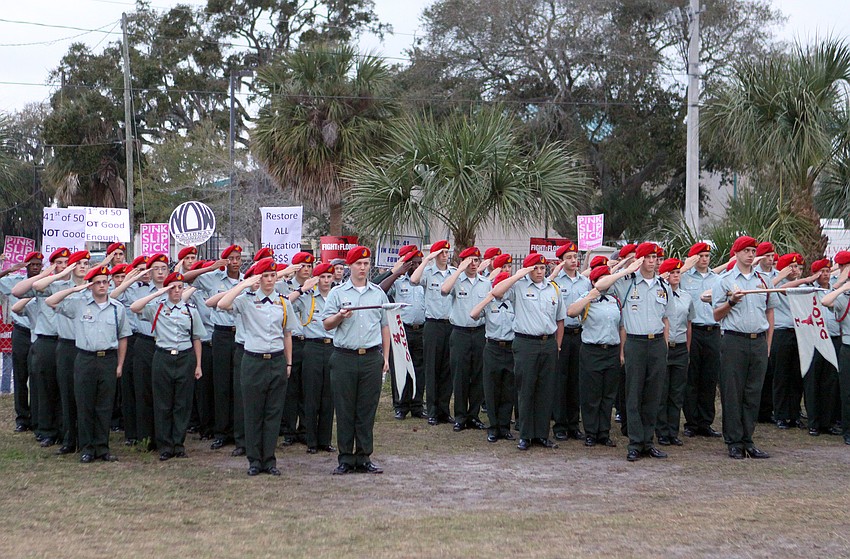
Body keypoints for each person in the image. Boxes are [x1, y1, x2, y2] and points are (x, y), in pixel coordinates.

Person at [46, 265, 132, 463]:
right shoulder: (80, 305)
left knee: (104, 406)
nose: (102, 286)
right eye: (98, 283)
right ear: (91, 286)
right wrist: (75, 289)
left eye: (105, 282)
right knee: (85, 405)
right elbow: (51, 301)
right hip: (85, 358)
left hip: (108, 359)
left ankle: (102, 448)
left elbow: (123, 338)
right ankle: (87, 448)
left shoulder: (117, 309)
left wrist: (119, 365)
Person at [593, 243, 670, 462]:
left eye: (655, 257)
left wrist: (664, 346)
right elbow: (600, 285)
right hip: (635, 342)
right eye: (648, 257)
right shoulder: (626, 283)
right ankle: (635, 442)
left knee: (653, 395)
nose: (652, 261)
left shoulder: (663, 285)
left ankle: (648, 441)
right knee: (634, 394)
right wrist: (626, 269)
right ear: (640, 260)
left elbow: (666, 318)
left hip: (656, 342)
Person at [218, 257, 294, 476]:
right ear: (258, 278)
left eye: (273, 275)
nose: (270, 280)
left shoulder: (283, 301)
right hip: (253, 361)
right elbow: (223, 304)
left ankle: (269, 460)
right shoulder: (246, 299)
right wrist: (243, 283)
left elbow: (287, 333)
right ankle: (254, 460)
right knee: (253, 412)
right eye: (265, 276)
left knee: (273, 412)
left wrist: (288, 362)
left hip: (277, 360)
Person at [321, 246, 390, 474]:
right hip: (344, 358)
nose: (363, 268)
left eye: (366, 264)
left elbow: (384, 327)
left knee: (366, 409)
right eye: (358, 264)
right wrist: (339, 316)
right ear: (350, 266)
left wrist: (386, 358)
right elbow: (326, 323)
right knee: (344, 408)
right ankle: (345, 458)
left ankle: (364, 456)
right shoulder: (338, 293)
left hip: (371, 357)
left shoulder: (378, 293)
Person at [490, 253, 565, 451]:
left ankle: (541, 434)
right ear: (528, 269)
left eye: (542, 268)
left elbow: (560, 319)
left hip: (547, 343)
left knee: (545, 390)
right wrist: (518, 275)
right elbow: (497, 293)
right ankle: (525, 435)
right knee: (526, 390)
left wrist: (557, 344)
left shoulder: (553, 289)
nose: (540, 272)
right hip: (526, 343)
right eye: (536, 268)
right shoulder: (518, 286)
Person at [712, 235, 776, 459]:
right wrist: (731, 302)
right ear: (736, 253)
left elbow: (770, 310)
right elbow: (716, 313)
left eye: (753, 251)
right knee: (733, 392)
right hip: (734, 340)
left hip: (757, 339)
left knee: (753, 392)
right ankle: (734, 441)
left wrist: (767, 344)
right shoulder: (725, 280)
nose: (751, 255)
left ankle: (748, 439)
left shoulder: (763, 280)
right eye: (747, 251)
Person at [130, 272, 206, 461]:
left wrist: (198, 365)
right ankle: (165, 445)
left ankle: (178, 444)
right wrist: (158, 293)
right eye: (173, 287)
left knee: (182, 403)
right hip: (163, 357)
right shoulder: (157, 308)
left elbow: (196, 338)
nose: (177, 291)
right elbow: (135, 307)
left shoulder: (190, 310)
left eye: (180, 287)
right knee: (163, 403)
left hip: (185, 357)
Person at [28, 250, 91, 452]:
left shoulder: (95, 288)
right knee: (57, 391)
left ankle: (81, 436)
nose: (82, 267)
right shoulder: (58, 286)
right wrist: (56, 272)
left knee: (81, 394)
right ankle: (55, 434)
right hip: (61, 344)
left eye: (85, 264)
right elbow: (35, 286)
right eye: (77, 263)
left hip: (84, 347)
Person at [187, 245, 243, 451]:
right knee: (221, 385)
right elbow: (184, 277)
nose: (235, 261)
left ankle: (238, 432)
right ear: (225, 261)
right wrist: (210, 267)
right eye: (231, 258)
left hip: (241, 335)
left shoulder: (246, 280)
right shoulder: (213, 279)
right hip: (220, 334)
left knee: (238, 385)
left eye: (238, 258)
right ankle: (221, 432)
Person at [566, 265, 624, 447]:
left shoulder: (615, 300)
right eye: (603, 279)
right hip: (592, 350)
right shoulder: (587, 299)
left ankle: (603, 432)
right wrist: (590, 295)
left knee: (608, 394)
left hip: (612, 350)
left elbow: (621, 327)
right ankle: (591, 432)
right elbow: (571, 312)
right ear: (594, 282)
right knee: (592, 394)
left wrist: (621, 352)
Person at [289, 262, 337, 454]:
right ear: (316, 279)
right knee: (311, 394)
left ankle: (325, 440)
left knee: (329, 395)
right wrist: (303, 289)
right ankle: (311, 440)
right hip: (312, 347)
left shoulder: (337, 296)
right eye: (322, 277)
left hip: (333, 347)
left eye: (329, 277)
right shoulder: (308, 297)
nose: (326, 281)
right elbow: (285, 301)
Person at [440, 246, 489, 432]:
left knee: (478, 375)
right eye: (470, 260)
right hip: (460, 332)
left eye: (476, 260)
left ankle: (473, 415)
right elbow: (444, 290)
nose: (474, 263)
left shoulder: (485, 283)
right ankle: (460, 416)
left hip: (479, 333)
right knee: (460, 375)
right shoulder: (456, 280)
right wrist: (460, 269)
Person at [409, 240, 456, 426]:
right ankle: (433, 410)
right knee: (432, 368)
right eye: (441, 253)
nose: (445, 255)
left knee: (447, 369)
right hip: (433, 325)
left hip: (450, 324)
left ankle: (444, 410)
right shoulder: (428, 272)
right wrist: (427, 259)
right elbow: (413, 280)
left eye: (447, 252)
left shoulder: (454, 273)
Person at [679, 242, 723, 438]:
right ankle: (691, 421)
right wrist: (685, 266)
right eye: (701, 256)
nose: (704, 259)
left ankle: (706, 421)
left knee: (709, 377)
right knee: (691, 376)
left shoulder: (717, 279)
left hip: (713, 329)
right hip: (693, 330)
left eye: (707, 256)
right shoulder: (684, 277)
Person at [378, 245, 426, 420]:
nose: (417, 266)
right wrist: (397, 273)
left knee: (419, 369)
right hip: (402, 329)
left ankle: (417, 405)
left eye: (419, 263)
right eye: (414, 263)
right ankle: (400, 405)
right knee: (401, 368)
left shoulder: (423, 281)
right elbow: (380, 289)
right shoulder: (398, 281)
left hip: (420, 329)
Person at [549, 240, 590, 441]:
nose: (574, 260)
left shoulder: (585, 281)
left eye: (575, 257)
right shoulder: (556, 282)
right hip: (562, 335)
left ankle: (574, 424)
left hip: (579, 334)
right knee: (560, 380)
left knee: (576, 380)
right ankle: (560, 424)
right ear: (561, 261)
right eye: (569, 258)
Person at [0, 251, 44, 433]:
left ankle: (36, 416)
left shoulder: (45, 283)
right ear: (26, 266)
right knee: (20, 376)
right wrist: (10, 269)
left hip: (38, 334)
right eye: (32, 265)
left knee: (37, 377)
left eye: (38, 265)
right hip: (21, 332)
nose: (35, 268)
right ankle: (22, 418)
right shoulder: (14, 281)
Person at [470, 271, 516, 443]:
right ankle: (493, 427)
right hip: (493, 348)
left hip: (510, 348)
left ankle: (504, 427)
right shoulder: (489, 304)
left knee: (508, 389)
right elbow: (473, 315)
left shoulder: (514, 303)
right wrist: (489, 297)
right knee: (492, 389)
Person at [277, 251, 314, 446]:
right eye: (303, 266)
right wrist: (301, 290)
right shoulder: (284, 286)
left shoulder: (315, 286)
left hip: (309, 341)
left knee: (307, 388)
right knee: (291, 388)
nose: (307, 270)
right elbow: (282, 303)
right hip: (291, 341)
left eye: (309, 266)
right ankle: (288, 430)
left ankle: (305, 429)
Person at [655, 258, 694, 447]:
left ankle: (673, 430)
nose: (676, 276)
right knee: (661, 391)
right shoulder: (658, 294)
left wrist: (687, 348)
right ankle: (661, 431)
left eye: (678, 272)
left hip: (679, 347)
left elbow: (689, 324)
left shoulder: (686, 296)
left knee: (676, 392)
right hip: (663, 346)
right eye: (672, 272)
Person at [804, 258, 842, 436]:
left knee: (830, 381)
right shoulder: (808, 290)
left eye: (828, 271)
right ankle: (813, 422)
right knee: (813, 381)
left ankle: (827, 422)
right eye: (821, 272)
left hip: (833, 338)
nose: (825, 275)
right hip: (815, 340)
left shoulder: (835, 290)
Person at [770, 253, 807, 430]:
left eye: (799, 268)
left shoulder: (804, 285)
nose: (796, 271)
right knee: (781, 375)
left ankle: (794, 414)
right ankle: (781, 414)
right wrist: (782, 276)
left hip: (799, 331)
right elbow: (778, 288)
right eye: (792, 267)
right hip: (782, 331)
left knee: (796, 376)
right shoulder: (776, 282)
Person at [821, 250, 850, 445]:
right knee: (847, 392)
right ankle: (848, 431)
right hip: (847, 347)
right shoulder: (842, 296)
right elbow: (825, 300)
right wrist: (841, 285)